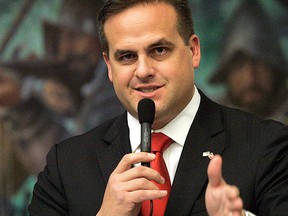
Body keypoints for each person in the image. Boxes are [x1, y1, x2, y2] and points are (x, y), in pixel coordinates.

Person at [29, 0, 288, 215]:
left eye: (159, 50)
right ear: (109, 66)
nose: (143, 71)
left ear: (193, 51)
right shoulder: (65, 165)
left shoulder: (268, 147)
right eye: (127, 56)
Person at [209, 0, 288, 125]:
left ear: (275, 69)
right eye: (239, 65)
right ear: (226, 73)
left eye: (259, 63)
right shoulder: (209, 122)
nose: (250, 76)